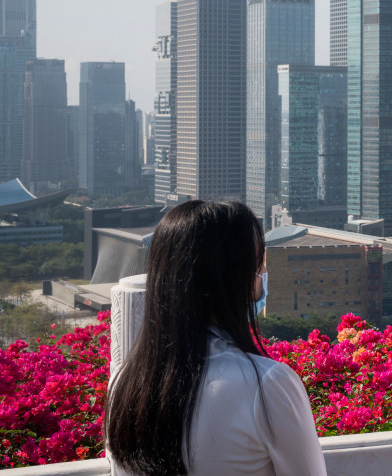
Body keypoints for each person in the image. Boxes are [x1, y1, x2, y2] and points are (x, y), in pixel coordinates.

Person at [105, 200, 326, 476]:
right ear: (237, 279)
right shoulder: (268, 385)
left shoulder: (125, 383)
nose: (264, 276)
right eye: (260, 265)